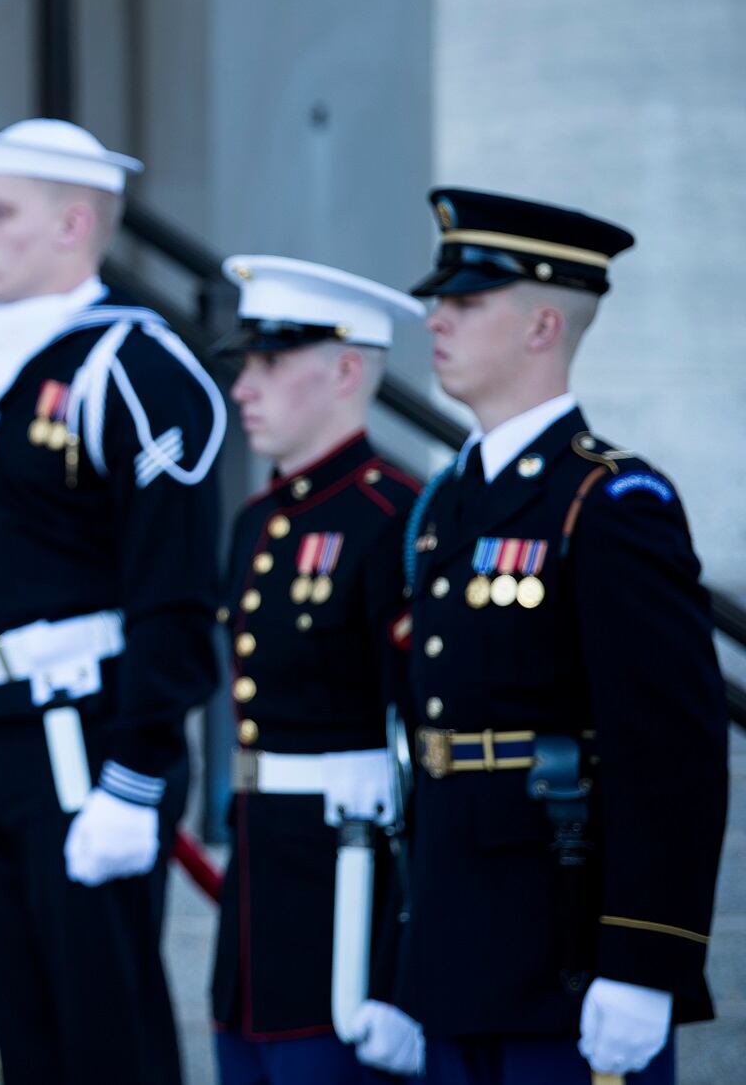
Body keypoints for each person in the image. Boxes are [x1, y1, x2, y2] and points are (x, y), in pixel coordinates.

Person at [397, 188, 726, 1085]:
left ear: (543, 325)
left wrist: (647, 959)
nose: (436, 319)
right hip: (455, 947)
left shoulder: (608, 501)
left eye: (467, 302)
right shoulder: (449, 502)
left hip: (566, 950)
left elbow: (671, 749)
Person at [0, 118, 226, 1084]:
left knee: (108, 1037)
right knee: (24, 1038)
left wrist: (138, 775)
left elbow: (175, 598)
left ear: (72, 226)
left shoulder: (136, 368)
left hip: (87, 744)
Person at [208, 255, 429, 1083]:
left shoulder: (394, 517)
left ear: (345, 372)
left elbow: (423, 748)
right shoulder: (257, 520)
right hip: (259, 891)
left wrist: (403, 972)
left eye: (269, 363)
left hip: (351, 895)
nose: (243, 388)